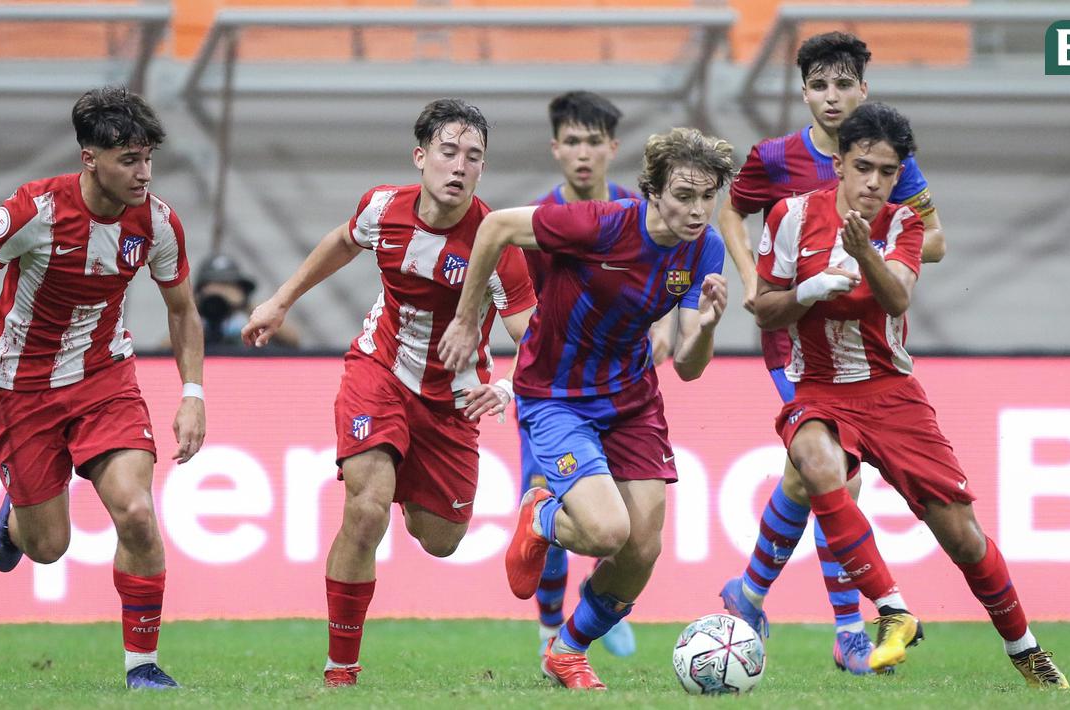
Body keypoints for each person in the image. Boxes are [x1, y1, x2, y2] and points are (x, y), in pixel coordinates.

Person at [754, 102, 1068, 688]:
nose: (874, 182)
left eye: (888, 171)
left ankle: (1026, 651)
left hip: (892, 395)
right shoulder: (789, 217)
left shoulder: (904, 224)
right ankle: (891, 608)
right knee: (817, 463)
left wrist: (862, 250)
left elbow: (897, 298)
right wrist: (810, 289)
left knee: (962, 537)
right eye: (864, 166)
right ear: (840, 163)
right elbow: (764, 308)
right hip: (819, 390)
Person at [240, 98, 537, 688]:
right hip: (380, 371)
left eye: (473, 157)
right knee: (366, 507)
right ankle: (340, 669)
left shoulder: (496, 242)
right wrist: (280, 301)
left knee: (442, 540)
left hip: (452, 401)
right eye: (448, 152)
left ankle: (516, 509)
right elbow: (343, 242)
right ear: (420, 156)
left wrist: (506, 387)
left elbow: (532, 336)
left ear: (482, 169)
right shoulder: (383, 207)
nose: (459, 166)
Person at [0, 86, 205, 690]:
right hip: (24, 388)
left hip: (106, 377)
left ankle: (143, 668)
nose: (144, 173)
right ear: (90, 158)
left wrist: (193, 392)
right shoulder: (35, 211)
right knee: (48, 547)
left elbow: (181, 309)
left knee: (136, 511)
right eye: (129, 159)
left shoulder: (157, 221)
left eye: (148, 157)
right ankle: (16, 519)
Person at [439, 127, 734, 689]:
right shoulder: (600, 224)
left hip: (632, 399)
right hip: (556, 396)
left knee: (642, 549)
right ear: (653, 191)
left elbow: (691, 367)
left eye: (707, 196)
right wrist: (464, 316)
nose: (697, 211)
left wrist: (709, 328)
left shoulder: (707, 248)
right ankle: (542, 514)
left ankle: (568, 650)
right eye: (684, 196)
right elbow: (496, 225)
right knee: (605, 534)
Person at [716, 31, 948, 675]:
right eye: (820, 84)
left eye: (844, 83)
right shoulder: (773, 156)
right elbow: (732, 212)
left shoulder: (887, 157)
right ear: (804, 91)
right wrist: (753, 277)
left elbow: (935, 243)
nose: (832, 96)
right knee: (835, 473)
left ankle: (750, 593)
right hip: (793, 341)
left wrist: (869, 249)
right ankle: (850, 626)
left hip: (865, 344)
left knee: (807, 474)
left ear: (863, 89)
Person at [523, 90, 643, 658]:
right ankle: (550, 624)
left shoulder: (639, 215)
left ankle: (595, 607)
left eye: (594, 141)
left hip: (620, 392)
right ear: (555, 149)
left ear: (613, 148)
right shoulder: (540, 223)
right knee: (554, 507)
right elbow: (517, 305)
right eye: (572, 141)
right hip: (554, 393)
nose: (583, 152)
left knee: (623, 511)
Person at [193, 253, 299, 349]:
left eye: (228, 285)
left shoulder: (244, 320)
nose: (221, 292)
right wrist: (195, 306)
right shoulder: (192, 319)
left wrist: (244, 304)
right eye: (214, 286)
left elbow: (293, 342)